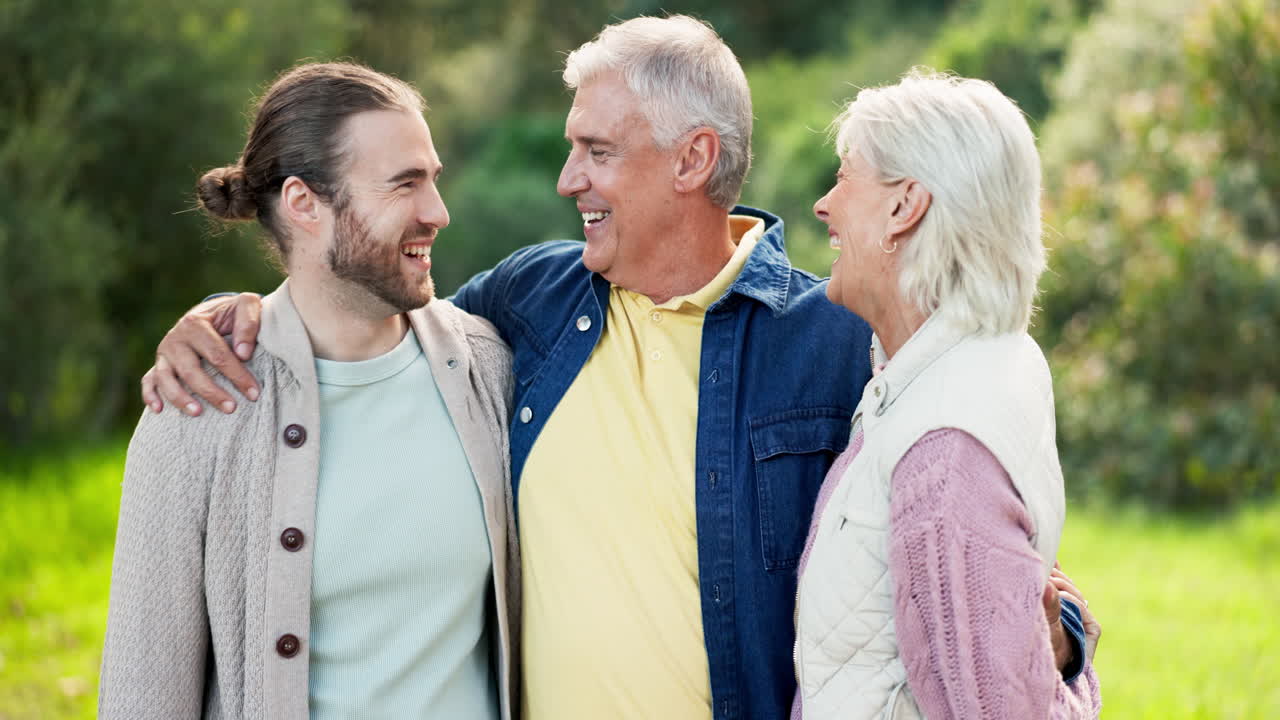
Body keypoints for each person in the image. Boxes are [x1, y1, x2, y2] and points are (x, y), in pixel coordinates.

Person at [137, 17, 1093, 720]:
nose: (568, 181)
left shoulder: (836, 335)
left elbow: (970, 539)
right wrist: (230, 321)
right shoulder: (527, 305)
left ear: (693, 161)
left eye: (595, 152)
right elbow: (360, 312)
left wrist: (1062, 634)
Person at [99, 62, 518, 720]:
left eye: (432, 180)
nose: (437, 212)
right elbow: (141, 694)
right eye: (404, 185)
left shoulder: (487, 370)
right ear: (303, 205)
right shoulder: (198, 408)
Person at [792, 69, 1102, 719]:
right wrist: (1065, 646)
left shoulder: (944, 445)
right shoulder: (959, 370)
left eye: (845, 177)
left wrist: (1068, 663)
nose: (824, 205)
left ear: (906, 207)